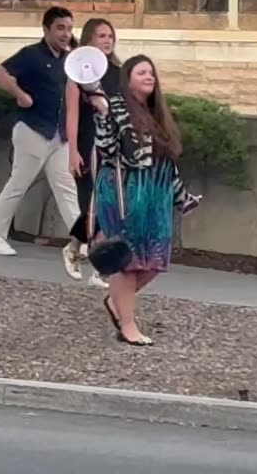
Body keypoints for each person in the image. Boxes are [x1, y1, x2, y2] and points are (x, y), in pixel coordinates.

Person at [87, 54, 197, 346]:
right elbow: (108, 150)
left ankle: (117, 302)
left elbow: (167, 161)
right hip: (125, 191)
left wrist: (181, 197)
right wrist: (102, 114)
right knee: (128, 260)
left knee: (154, 260)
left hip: (155, 195)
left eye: (151, 72)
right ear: (128, 78)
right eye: (141, 72)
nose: (149, 77)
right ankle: (127, 324)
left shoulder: (158, 112)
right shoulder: (116, 107)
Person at [0, 6, 82, 257]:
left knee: (66, 188)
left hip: (59, 136)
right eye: (60, 28)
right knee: (19, 183)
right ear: (46, 29)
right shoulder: (31, 55)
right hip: (33, 130)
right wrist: (21, 95)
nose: (65, 33)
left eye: (69, 28)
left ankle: (82, 241)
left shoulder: (69, 60)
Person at [60, 18, 123, 286]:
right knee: (92, 205)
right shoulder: (78, 74)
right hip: (87, 146)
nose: (107, 40)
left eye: (110, 35)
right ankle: (82, 253)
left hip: (112, 148)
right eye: (101, 35)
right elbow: (72, 116)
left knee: (109, 207)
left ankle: (89, 259)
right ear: (89, 40)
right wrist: (73, 150)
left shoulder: (120, 72)